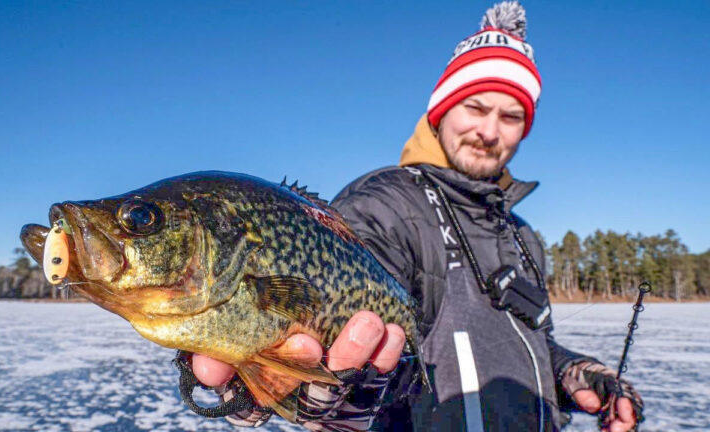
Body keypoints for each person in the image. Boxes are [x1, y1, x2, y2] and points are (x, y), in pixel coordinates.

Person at [188, 2, 643, 431]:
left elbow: (528, 347)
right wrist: (258, 364)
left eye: (511, 116)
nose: (489, 131)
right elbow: (340, 309)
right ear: (441, 111)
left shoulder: (520, 234)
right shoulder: (388, 202)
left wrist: (581, 376)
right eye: (476, 108)